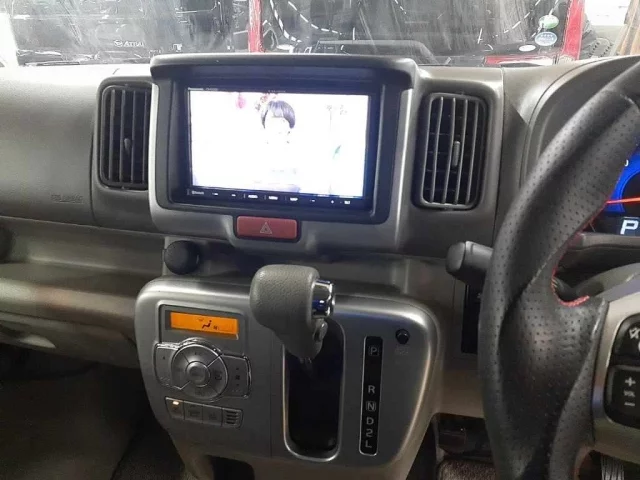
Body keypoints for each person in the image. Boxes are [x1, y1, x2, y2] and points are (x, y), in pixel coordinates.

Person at [252, 99, 302, 193]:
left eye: (282, 121)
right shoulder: (255, 158)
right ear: (264, 127)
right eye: (272, 121)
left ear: (290, 128)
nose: (277, 126)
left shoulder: (298, 158)